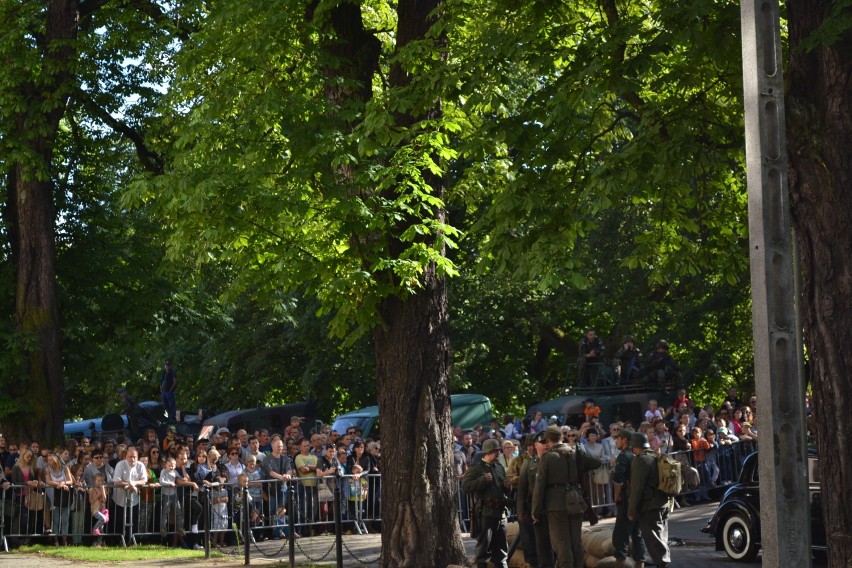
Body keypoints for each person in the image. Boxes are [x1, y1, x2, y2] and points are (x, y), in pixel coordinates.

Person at [532, 425, 602, 568]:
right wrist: (580, 452)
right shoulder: (575, 453)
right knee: (575, 542)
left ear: (547, 440)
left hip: (556, 504)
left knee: (561, 542)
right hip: (576, 500)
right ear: (562, 437)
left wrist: (535, 510)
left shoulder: (547, 458)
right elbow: (597, 462)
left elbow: (539, 487)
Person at [462, 438, 510, 568]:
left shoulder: (499, 467)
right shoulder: (476, 469)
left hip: (501, 513)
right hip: (486, 513)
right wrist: (482, 480)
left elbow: (502, 488)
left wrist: (507, 486)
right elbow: (465, 487)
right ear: (488, 452)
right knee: (483, 550)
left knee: (501, 550)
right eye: (496, 451)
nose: (499, 453)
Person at [628, 432, 672, 568]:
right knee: (662, 537)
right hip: (664, 502)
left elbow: (637, 488)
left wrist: (632, 510)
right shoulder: (654, 456)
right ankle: (663, 561)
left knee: (653, 539)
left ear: (635, 446)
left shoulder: (640, 460)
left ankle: (662, 563)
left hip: (650, 506)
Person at [611, 429, 646, 568]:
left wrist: (617, 495)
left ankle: (621, 563)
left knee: (620, 535)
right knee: (637, 533)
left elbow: (618, 480)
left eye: (617, 438)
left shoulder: (623, 456)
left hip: (627, 498)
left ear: (624, 440)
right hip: (638, 498)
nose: (616, 441)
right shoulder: (635, 455)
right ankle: (640, 564)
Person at [515, 434, 544, 568]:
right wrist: (520, 509)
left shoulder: (547, 460)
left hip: (545, 506)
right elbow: (521, 488)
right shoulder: (525, 462)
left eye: (534, 445)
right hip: (529, 505)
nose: (532, 448)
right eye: (529, 446)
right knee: (529, 540)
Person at [112, 447, 148, 542]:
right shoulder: (120, 464)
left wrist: (134, 484)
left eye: (135, 457)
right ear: (126, 456)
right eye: (130, 457)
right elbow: (116, 481)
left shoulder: (140, 465)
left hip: (134, 500)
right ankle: (118, 541)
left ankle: (132, 540)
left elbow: (144, 480)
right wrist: (130, 484)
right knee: (119, 521)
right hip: (119, 499)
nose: (132, 459)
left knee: (134, 521)